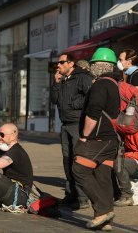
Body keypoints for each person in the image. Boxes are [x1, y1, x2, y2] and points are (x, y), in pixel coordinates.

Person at [72, 48, 120, 230]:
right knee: (102, 177)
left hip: (97, 138)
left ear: (99, 66)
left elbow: (93, 112)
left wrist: (84, 136)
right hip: (111, 141)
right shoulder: (114, 84)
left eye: (92, 64)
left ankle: (102, 211)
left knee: (79, 169)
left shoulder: (99, 85)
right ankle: (106, 221)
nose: (90, 67)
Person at [51, 53, 93, 209]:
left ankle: (83, 198)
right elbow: (54, 100)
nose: (58, 65)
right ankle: (71, 195)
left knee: (78, 161)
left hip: (78, 124)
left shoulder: (82, 77)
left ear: (71, 63)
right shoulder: (62, 80)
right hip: (65, 124)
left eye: (61, 62)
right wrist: (56, 83)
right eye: (58, 63)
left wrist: (74, 103)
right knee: (67, 160)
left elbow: (92, 96)